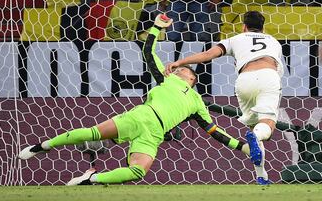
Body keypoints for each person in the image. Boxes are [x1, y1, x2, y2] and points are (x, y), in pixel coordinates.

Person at [19, 14, 250, 185]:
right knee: (93, 133)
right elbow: (148, 52)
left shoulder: (197, 102)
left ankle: (90, 180)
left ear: (191, 77)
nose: (178, 69)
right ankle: (41, 146)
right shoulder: (167, 78)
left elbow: (214, 131)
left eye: (183, 69)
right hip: (143, 115)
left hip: (154, 134)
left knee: (139, 171)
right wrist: (156, 27)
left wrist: (242, 147)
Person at [165, 11, 283, 185]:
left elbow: (206, 56)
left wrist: (179, 62)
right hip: (268, 75)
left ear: (244, 26)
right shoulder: (273, 41)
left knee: (254, 127)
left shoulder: (235, 39)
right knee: (267, 124)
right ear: (263, 28)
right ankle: (258, 137)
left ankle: (262, 176)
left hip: (244, 80)